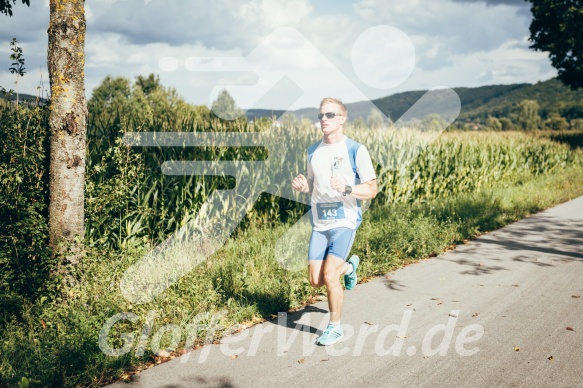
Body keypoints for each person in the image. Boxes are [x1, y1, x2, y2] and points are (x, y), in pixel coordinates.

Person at [291, 97, 377, 346]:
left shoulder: (355, 150)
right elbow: (313, 185)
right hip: (320, 224)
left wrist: (348, 188)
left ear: (342, 119)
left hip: (344, 222)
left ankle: (335, 327)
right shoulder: (312, 151)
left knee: (329, 277)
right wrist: (303, 186)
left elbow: (372, 189)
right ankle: (350, 267)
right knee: (315, 280)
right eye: (320, 116)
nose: (323, 120)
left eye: (329, 115)